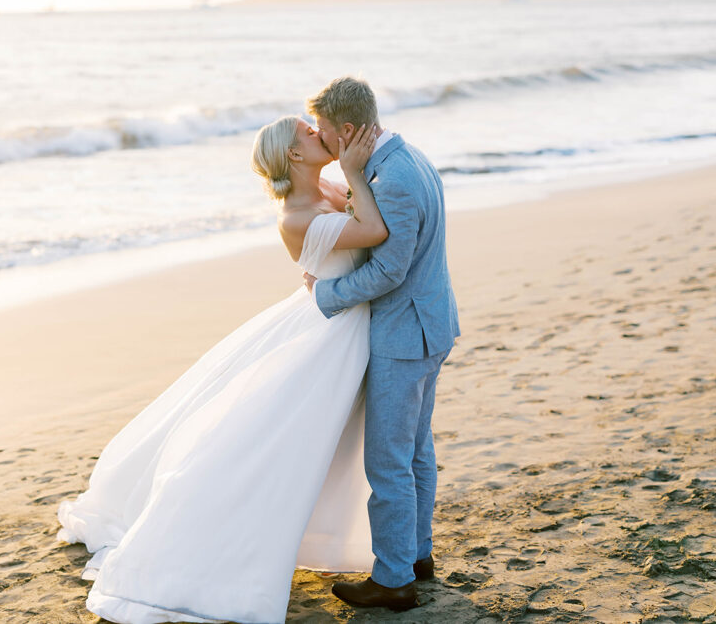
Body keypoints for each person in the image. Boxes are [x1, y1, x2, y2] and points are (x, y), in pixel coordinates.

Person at [56, 114, 387, 623]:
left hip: (338, 319)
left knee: (323, 447)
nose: (317, 134)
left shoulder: (326, 183)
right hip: (330, 329)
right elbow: (375, 229)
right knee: (277, 445)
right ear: (294, 154)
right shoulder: (295, 215)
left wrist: (354, 171)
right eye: (307, 131)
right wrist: (357, 172)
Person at [302, 76, 460, 612]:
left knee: (389, 461)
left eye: (324, 132)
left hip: (404, 333)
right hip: (431, 324)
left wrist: (327, 293)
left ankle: (393, 579)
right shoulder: (406, 156)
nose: (320, 140)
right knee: (416, 450)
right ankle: (417, 554)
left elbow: (390, 271)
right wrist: (348, 180)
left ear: (348, 131)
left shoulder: (391, 178)